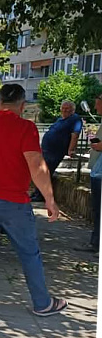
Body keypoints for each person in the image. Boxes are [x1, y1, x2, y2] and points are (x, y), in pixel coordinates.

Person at [0, 83, 67, 326]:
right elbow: (36, 166)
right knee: (29, 253)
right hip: (13, 202)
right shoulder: (25, 128)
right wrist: (49, 199)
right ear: (22, 105)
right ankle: (43, 303)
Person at [31, 100, 83, 202]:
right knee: (41, 171)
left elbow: (75, 135)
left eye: (67, 108)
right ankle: (37, 193)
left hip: (55, 151)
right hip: (47, 150)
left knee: (46, 172)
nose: (64, 110)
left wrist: (71, 149)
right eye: (63, 108)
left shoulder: (75, 119)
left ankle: (41, 196)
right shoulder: (60, 119)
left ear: (73, 110)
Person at [76, 92, 102, 253]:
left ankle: (96, 244)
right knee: (96, 210)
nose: (95, 106)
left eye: (97, 102)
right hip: (97, 172)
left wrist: (98, 145)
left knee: (98, 210)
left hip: (100, 174)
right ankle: (95, 241)